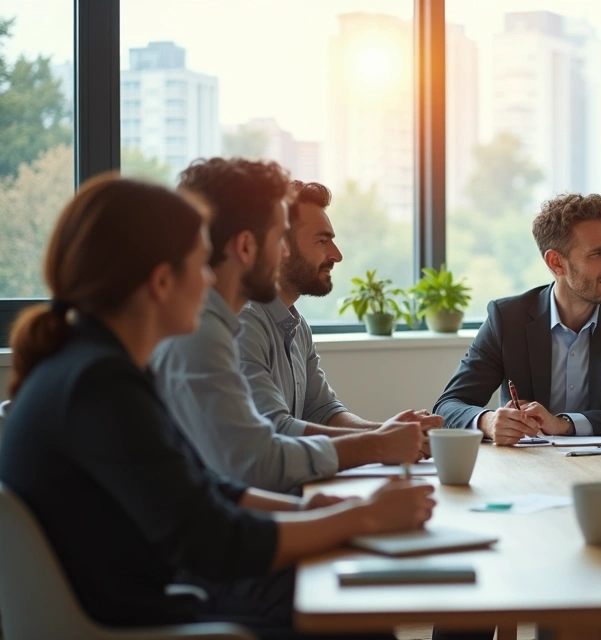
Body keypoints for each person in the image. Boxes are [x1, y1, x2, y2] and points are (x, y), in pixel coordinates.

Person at [0, 175, 433, 638]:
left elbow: (201, 487)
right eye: (199, 264)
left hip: (151, 597)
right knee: (347, 603)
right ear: (161, 281)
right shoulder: (97, 384)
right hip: (145, 618)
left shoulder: (96, 368)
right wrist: (359, 516)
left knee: (341, 584)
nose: (210, 281)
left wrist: (311, 511)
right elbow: (212, 539)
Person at [153, 160, 425, 493]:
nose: (283, 253)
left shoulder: (286, 322)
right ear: (245, 246)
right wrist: (377, 445)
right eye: (279, 237)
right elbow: (262, 455)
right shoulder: (214, 329)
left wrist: (386, 436)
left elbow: (318, 412)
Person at [433, 193, 601, 446]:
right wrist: (487, 421)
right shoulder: (507, 319)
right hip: (527, 466)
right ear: (556, 263)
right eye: (598, 254)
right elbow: (447, 406)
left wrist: (564, 424)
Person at [237, 181, 441, 447]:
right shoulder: (244, 323)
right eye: (322, 241)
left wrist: (392, 430)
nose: (337, 255)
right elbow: (275, 429)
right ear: (280, 247)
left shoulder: (296, 325)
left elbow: (324, 412)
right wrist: (381, 441)